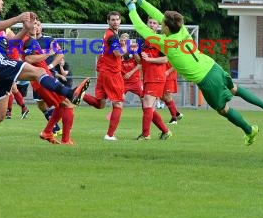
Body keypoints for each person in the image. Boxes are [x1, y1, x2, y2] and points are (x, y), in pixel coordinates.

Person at [124, 0, 263, 145]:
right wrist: (140, 0)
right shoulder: (182, 30)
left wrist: (131, 7)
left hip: (206, 79)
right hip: (213, 66)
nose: (160, 23)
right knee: (235, 89)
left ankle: (249, 131)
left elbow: (141, 28)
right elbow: (158, 14)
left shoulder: (166, 43)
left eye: (162, 23)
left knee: (223, 110)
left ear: (167, 27)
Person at [0, 0, 90, 156]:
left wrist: (26, 28)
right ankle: (70, 93)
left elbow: (12, 43)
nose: (2, 1)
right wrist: (18, 18)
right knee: (39, 72)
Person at [23, 19, 77, 145]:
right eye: (33, 24)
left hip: (47, 77)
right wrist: (48, 53)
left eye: (38, 24)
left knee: (63, 103)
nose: (36, 26)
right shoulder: (28, 40)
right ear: (27, 26)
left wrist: (51, 66)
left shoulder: (48, 39)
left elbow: (59, 54)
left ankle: (49, 131)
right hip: (40, 79)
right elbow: (29, 59)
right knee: (65, 104)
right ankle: (64, 139)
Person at [82, 11, 127, 141]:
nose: (115, 22)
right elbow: (118, 53)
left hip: (104, 72)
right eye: (112, 20)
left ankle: (80, 94)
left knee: (100, 104)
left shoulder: (109, 34)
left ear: (120, 21)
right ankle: (110, 135)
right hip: (111, 73)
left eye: (117, 19)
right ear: (108, 21)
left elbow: (105, 53)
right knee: (118, 104)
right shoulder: (112, 36)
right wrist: (127, 47)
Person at [136, 17, 172, 140]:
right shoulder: (142, 41)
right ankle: (165, 131)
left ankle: (146, 135)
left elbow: (166, 59)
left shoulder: (160, 40)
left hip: (157, 76)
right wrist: (136, 53)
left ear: (158, 26)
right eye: (150, 22)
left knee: (147, 103)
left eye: (154, 23)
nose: (152, 25)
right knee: (147, 106)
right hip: (147, 77)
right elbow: (140, 61)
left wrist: (149, 59)